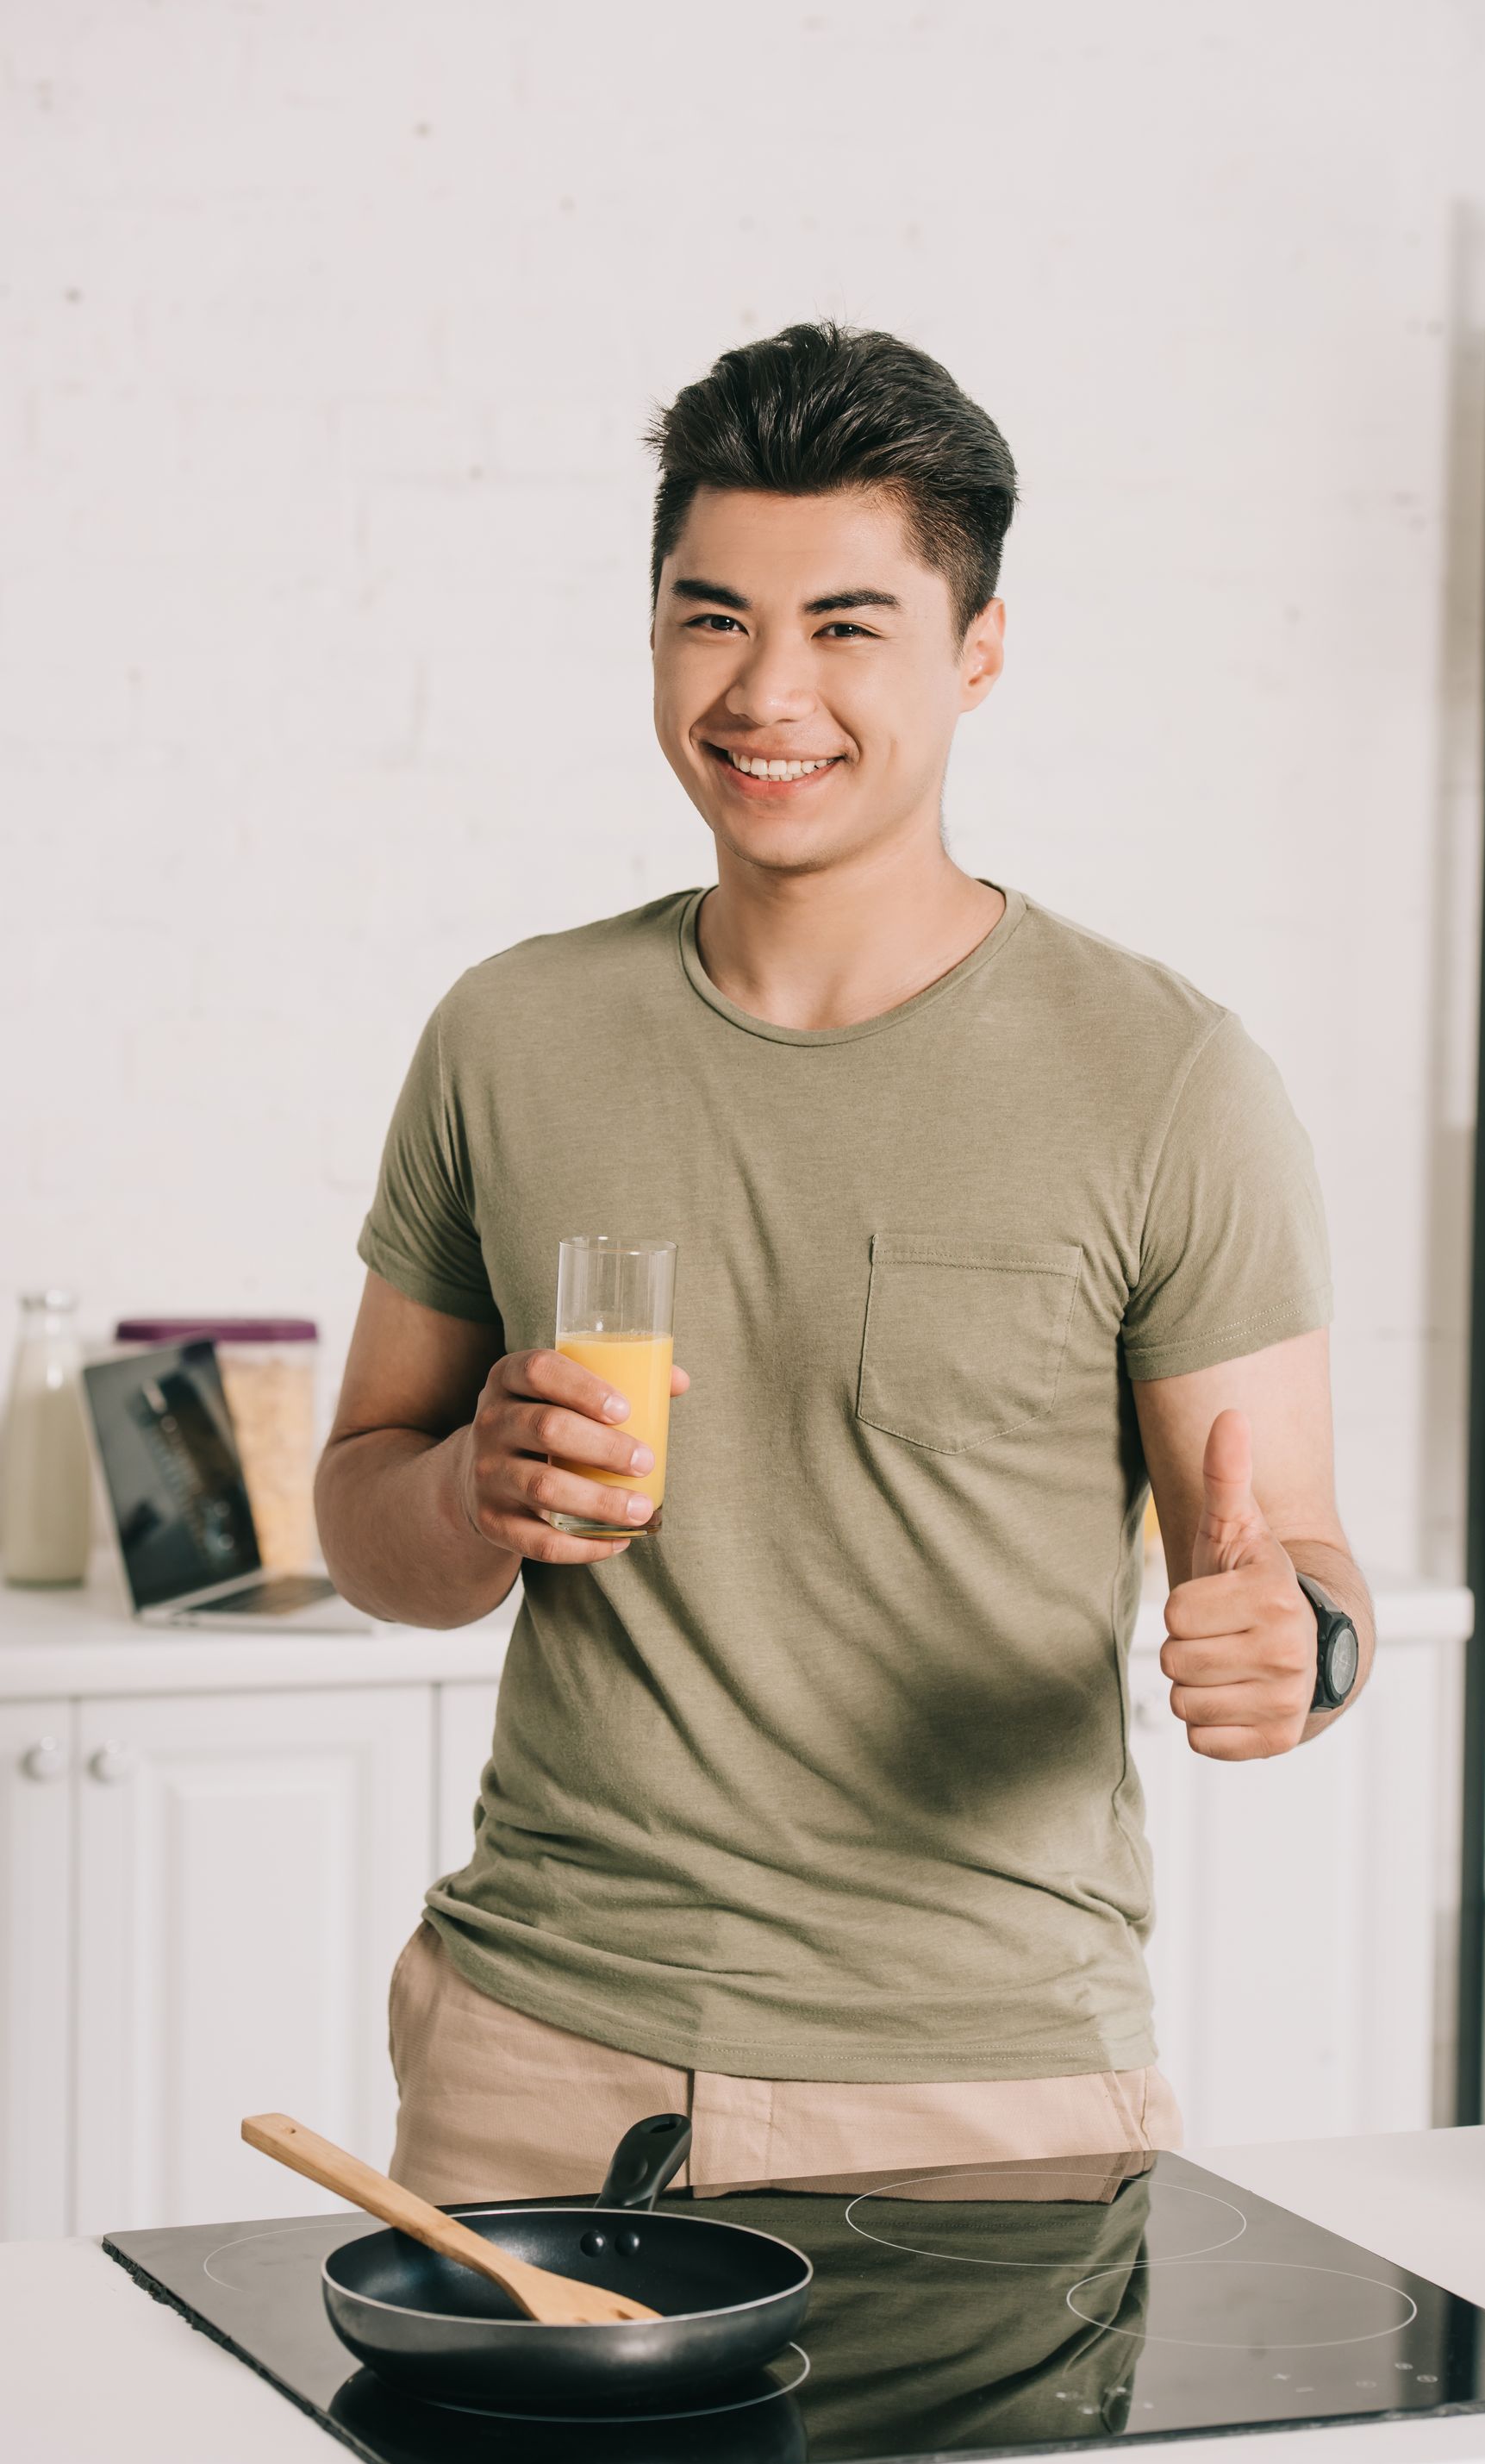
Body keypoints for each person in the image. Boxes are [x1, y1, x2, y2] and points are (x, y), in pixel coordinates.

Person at [315, 321, 1373, 2204]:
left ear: (979, 649)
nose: (766, 691)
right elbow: (365, 1522)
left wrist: (1301, 1644)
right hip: (539, 2054)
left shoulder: (1168, 1078)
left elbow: (1291, 1553)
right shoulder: (508, 1032)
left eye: (848, 626)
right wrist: (473, 1492)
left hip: (989, 2094)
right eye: (710, 617)